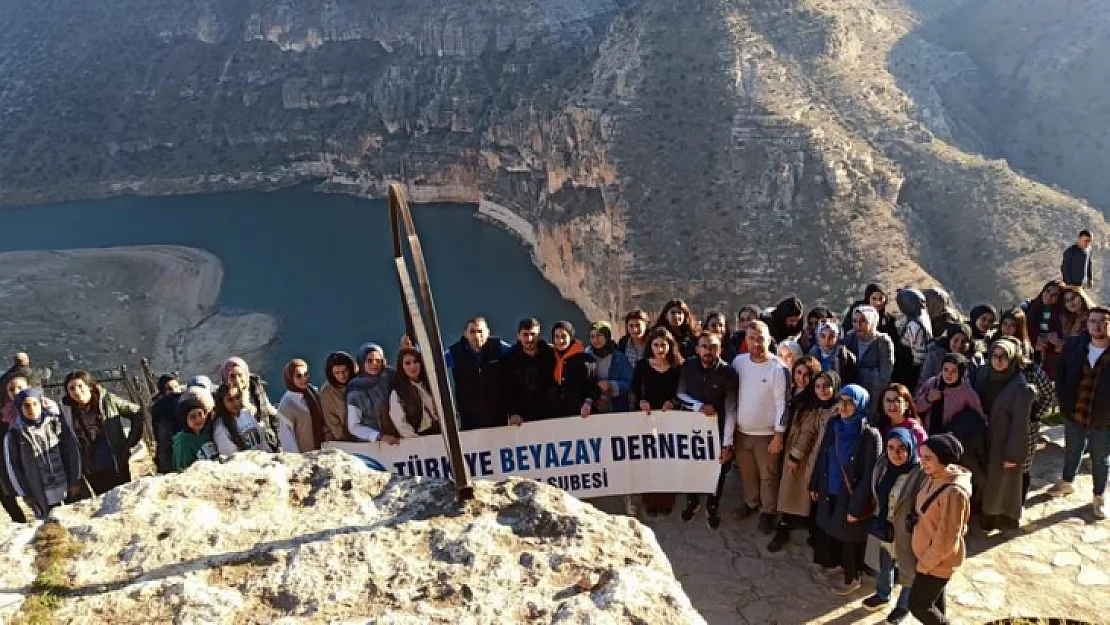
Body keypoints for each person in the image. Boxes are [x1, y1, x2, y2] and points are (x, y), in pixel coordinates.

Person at [809, 383, 881, 595]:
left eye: (850, 402)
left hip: (849, 494)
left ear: (860, 404)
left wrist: (857, 506)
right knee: (831, 528)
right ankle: (836, 566)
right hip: (828, 486)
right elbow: (823, 454)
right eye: (842, 401)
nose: (845, 406)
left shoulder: (869, 435)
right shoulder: (834, 424)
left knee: (849, 536)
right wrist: (814, 483)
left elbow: (869, 474)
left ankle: (852, 578)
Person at [725, 321, 788, 533]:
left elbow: (782, 404)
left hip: (767, 434)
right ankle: (751, 503)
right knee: (747, 472)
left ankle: (768, 511)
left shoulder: (778, 368)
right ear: (746, 340)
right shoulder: (739, 362)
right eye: (752, 338)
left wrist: (778, 436)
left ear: (769, 339)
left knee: (768, 475)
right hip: (742, 431)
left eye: (761, 338)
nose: (756, 343)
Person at [1048, 306, 1110, 520]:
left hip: (1104, 417)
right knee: (1072, 449)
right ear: (1087, 324)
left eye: (1103, 321)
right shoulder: (1075, 346)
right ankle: (1066, 482)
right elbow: (1061, 373)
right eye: (1093, 321)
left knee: (1100, 458)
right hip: (1075, 410)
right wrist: (1063, 401)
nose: (1098, 325)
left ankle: (1099, 496)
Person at [770, 368, 840, 552]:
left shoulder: (839, 409)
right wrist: (795, 456)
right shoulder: (816, 408)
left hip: (832, 465)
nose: (822, 390)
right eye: (818, 386)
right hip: (813, 460)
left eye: (827, 386)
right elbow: (807, 433)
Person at [863, 428, 927, 624]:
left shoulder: (920, 474)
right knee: (884, 564)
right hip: (884, 526)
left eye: (901, 448)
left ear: (911, 448)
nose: (895, 454)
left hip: (908, 531)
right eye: (891, 448)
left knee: (909, 570)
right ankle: (883, 595)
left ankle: (904, 606)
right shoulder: (883, 466)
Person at [909, 434, 973, 625]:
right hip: (928, 556)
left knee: (918, 606)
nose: (922, 462)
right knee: (934, 603)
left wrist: (925, 564)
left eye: (928, 458)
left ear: (943, 460)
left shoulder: (953, 493)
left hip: (937, 562)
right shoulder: (932, 476)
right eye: (921, 456)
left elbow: (947, 539)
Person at [677, 332, 738, 529]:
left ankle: (713, 505)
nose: (708, 351)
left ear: (719, 349)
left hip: (717, 431)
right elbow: (680, 393)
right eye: (704, 346)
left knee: (717, 470)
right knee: (690, 467)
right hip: (691, 428)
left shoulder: (728, 373)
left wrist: (727, 443)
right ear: (697, 349)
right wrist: (699, 406)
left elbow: (731, 409)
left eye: (713, 347)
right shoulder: (688, 366)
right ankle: (692, 501)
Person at [972, 338, 1034, 531]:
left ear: (1013, 359)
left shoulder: (1020, 388)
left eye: (1004, 357)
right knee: (984, 476)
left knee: (1001, 482)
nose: (998, 361)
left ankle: (998, 517)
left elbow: (1020, 424)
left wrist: (1013, 454)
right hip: (983, 435)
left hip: (1003, 439)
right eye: (995, 356)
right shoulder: (983, 374)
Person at [999, 307, 1057, 501]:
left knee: (1021, 466)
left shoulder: (1029, 367)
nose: (1007, 328)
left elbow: (1047, 393)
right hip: (999, 421)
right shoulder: (993, 356)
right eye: (1004, 324)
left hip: (1025, 424)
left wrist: (1034, 415)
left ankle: (1017, 504)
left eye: (1012, 325)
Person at [2, 388, 82, 520]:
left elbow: (72, 451)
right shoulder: (14, 435)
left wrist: (75, 479)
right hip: (41, 494)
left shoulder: (55, 423)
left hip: (66, 487)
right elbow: (13, 468)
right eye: (26, 405)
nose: (31, 409)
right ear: (19, 408)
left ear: (41, 404)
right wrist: (26, 495)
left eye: (35, 404)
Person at [60, 370, 144, 496]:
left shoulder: (107, 400)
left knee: (124, 498)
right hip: (91, 467)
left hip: (115, 462)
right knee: (104, 502)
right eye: (71, 388)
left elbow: (136, 412)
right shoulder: (67, 411)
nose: (76, 392)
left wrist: (130, 441)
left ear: (89, 386)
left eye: (80, 386)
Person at [630, 327, 683, 516]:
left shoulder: (677, 367)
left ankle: (667, 500)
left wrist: (673, 402)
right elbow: (635, 389)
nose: (660, 349)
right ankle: (650, 501)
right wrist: (641, 401)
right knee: (649, 459)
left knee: (668, 460)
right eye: (656, 345)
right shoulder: (642, 366)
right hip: (648, 418)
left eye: (663, 345)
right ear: (650, 346)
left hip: (670, 420)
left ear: (670, 346)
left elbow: (681, 391)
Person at [446, 317, 511, 431]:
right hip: (469, 416)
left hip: (498, 413)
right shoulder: (455, 352)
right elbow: (432, 364)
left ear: (488, 332)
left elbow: (518, 353)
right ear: (465, 334)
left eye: (480, 331)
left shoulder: (498, 347)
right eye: (472, 332)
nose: (476, 336)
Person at [914, 354, 986, 436]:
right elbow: (915, 407)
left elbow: (979, 416)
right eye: (946, 369)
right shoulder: (932, 383)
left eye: (954, 371)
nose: (949, 374)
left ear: (961, 373)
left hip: (950, 438)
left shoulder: (966, 392)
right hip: (926, 434)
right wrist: (927, 400)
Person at [503, 318, 558, 424]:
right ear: (518, 336)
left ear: (539, 335)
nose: (529, 338)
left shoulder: (550, 353)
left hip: (551, 414)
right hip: (523, 417)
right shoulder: (510, 358)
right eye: (525, 334)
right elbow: (507, 388)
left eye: (533, 334)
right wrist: (513, 412)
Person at [346, 343, 400, 444]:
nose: (374, 364)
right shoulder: (356, 387)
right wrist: (378, 436)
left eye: (378, 361)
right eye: (369, 361)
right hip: (371, 445)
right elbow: (353, 426)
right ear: (361, 362)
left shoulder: (389, 376)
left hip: (399, 437)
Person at [219, 357, 278, 448]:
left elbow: (268, 409)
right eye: (232, 376)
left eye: (240, 375)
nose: (237, 380)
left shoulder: (256, 388)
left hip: (268, 441)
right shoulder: (224, 399)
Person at [387, 347, 443, 438]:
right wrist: (417, 440)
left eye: (416, 361)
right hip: (419, 437)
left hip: (440, 434)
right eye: (407, 363)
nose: (413, 366)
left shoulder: (430, 385)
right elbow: (400, 423)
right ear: (401, 366)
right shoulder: (397, 393)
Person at [843, 306, 895, 402]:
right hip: (853, 390)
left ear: (871, 321)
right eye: (854, 321)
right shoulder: (850, 338)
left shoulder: (883, 342)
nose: (858, 325)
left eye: (863, 321)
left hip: (875, 391)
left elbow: (885, 375)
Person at [276, 359, 328, 453]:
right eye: (299, 376)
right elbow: (288, 442)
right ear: (290, 378)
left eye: (306, 374)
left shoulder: (313, 393)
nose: (304, 379)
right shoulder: (286, 405)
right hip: (305, 459)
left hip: (323, 453)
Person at [551, 321, 598, 418]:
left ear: (571, 337)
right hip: (555, 414)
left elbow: (591, 385)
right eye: (557, 337)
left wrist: (587, 403)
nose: (560, 340)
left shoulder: (585, 359)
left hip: (579, 413)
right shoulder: (550, 357)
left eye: (564, 336)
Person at [212, 384, 274, 456]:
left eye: (238, 397)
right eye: (230, 400)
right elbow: (231, 456)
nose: (236, 403)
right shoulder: (220, 428)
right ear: (222, 403)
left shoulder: (247, 413)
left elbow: (262, 440)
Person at [585, 321, 633, 413]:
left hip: (616, 408)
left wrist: (611, 386)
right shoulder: (586, 357)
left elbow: (629, 382)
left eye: (599, 335)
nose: (595, 340)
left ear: (607, 336)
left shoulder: (619, 358)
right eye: (592, 336)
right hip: (591, 409)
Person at [893, 288, 932, 393]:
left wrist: (914, 371)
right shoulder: (922, 316)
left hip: (908, 363)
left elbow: (918, 353)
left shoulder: (914, 326)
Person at [918, 323, 980, 387]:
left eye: (964, 342)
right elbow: (923, 381)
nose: (959, 345)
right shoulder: (935, 356)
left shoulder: (973, 362)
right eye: (956, 340)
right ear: (949, 340)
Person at [1026, 280, 1065, 379]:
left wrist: (1059, 342)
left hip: (1052, 357)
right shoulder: (1031, 307)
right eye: (1047, 291)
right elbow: (1024, 329)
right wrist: (1034, 340)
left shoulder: (1062, 314)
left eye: (1054, 295)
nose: (1049, 296)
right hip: (1032, 353)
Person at [172, 394, 217, 471]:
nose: (198, 419)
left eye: (200, 414)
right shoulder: (183, 442)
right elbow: (183, 469)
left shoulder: (208, 432)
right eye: (192, 417)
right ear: (184, 420)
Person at [150, 374, 183, 474]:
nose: (175, 391)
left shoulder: (184, 402)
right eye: (170, 388)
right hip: (169, 452)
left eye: (177, 387)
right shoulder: (161, 408)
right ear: (163, 392)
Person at [320, 351, 357, 441]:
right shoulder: (327, 391)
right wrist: (345, 440)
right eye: (337, 373)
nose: (342, 376)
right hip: (343, 440)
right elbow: (331, 421)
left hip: (368, 435)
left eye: (344, 371)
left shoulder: (358, 383)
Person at [810, 320, 860, 385]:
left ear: (838, 337)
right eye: (823, 336)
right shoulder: (812, 355)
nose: (827, 340)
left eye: (831, 337)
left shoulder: (845, 357)